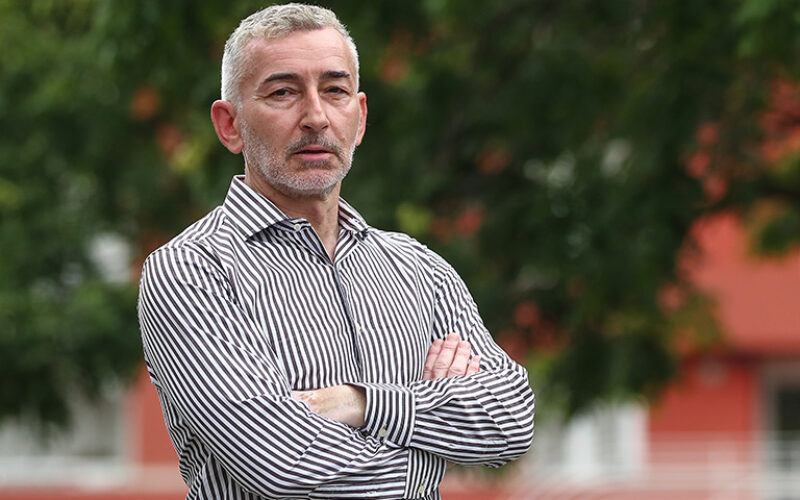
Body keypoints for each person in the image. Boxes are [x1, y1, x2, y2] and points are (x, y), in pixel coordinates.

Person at [137, 4, 534, 499]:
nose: (316, 117)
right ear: (229, 125)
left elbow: (511, 422)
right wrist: (434, 437)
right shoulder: (191, 271)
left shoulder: (419, 269)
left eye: (334, 90)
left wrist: (362, 403)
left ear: (360, 117)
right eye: (283, 92)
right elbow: (284, 465)